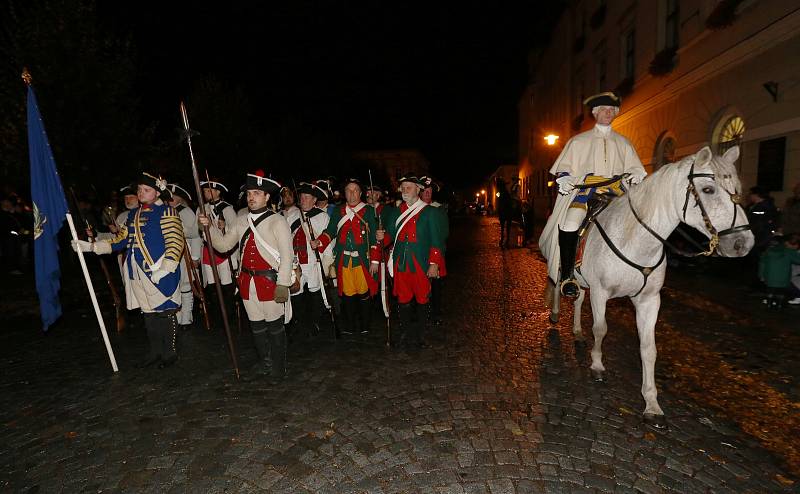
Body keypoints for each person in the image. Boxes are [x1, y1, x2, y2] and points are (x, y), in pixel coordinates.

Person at [539, 91, 646, 297]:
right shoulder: (579, 141)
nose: (609, 112)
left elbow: (635, 167)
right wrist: (564, 177)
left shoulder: (624, 142)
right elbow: (565, 167)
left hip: (617, 192)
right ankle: (567, 276)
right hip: (586, 192)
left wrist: (636, 175)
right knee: (570, 223)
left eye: (612, 110)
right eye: (604, 109)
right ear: (595, 113)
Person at [73, 173, 184, 368]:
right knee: (148, 313)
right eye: (139, 190)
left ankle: (170, 352)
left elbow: (175, 242)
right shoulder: (133, 215)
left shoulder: (167, 211)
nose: (141, 193)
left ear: (157, 193)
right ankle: (155, 350)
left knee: (165, 312)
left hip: (159, 270)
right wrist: (92, 246)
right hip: (137, 272)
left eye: (146, 190)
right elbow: (119, 241)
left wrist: (166, 268)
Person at [199, 171, 294, 383]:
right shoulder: (241, 221)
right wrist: (208, 229)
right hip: (247, 282)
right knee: (257, 327)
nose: (251, 197)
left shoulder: (277, 221)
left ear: (267, 197)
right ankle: (265, 363)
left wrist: (283, 284)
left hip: (270, 281)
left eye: (257, 193)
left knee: (274, 327)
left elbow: (287, 256)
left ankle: (278, 368)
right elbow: (223, 246)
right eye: (249, 193)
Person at [381, 175, 447, 349]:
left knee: (422, 298)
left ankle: (420, 334)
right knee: (403, 299)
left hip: (421, 262)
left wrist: (434, 263)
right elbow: (389, 235)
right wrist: (382, 237)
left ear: (418, 189)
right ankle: (405, 332)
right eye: (403, 187)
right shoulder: (396, 212)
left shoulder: (430, 212)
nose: (405, 190)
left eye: (408, 187)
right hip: (401, 263)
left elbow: (436, 240)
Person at [314, 177, 381, 335]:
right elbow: (330, 231)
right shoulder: (338, 211)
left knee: (364, 293)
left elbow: (374, 239)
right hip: (344, 259)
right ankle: (350, 326)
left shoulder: (369, 211)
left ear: (360, 193)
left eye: (355, 190)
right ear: (344, 193)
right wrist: (319, 242)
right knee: (348, 294)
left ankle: (365, 325)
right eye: (348, 191)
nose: (352, 194)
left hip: (362, 259)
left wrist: (375, 260)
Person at [290, 182, 331, 338]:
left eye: (307, 197)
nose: (304, 200)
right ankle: (298, 323)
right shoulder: (293, 216)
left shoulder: (322, 216)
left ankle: (315, 322)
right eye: (302, 197)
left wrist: (326, 261)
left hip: (313, 261)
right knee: (296, 291)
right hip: (296, 261)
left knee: (315, 292)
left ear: (314, 200)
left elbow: (328, 241)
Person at [197, 179, 238, 326]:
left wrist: (224, 227)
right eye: (205, 191)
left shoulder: (227, 209)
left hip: (224, 252)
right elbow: (200, 230)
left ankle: (229, 317)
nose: (206, 193)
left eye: (210, 190)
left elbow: (235, 231)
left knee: (227, 287)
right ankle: (217, 317)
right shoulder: (202, 209)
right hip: (209, 252)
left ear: (218, 192)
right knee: (213, 287)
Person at [168, 183, 201, 328]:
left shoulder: (186, 212)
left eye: (173, 198)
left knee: (186, 286)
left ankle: (186, 317)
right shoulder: (165, 211)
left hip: (184, 254)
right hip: (170, 254)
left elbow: (195, 236)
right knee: (174, 287)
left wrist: (195, 257)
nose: (170, 200)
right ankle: (177, 316)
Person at [419, 176, 448, 326]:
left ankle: (436, 312)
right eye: (424, 190)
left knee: (436, 285)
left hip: (434, 251)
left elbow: (443, 232)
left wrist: (436, 256)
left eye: (429, 190)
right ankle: (420, 312)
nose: (427, 192)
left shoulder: (439, 209)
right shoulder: (413, 209)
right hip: (418, 253)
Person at [758, 234, 800, 308]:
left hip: (769, 277)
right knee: (781, 291)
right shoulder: (789, 251)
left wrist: (761, 275)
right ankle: (779, 304)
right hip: (783, 278)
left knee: (770, 290)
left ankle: (769, 303)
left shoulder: (768, 251)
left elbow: (762, 263)